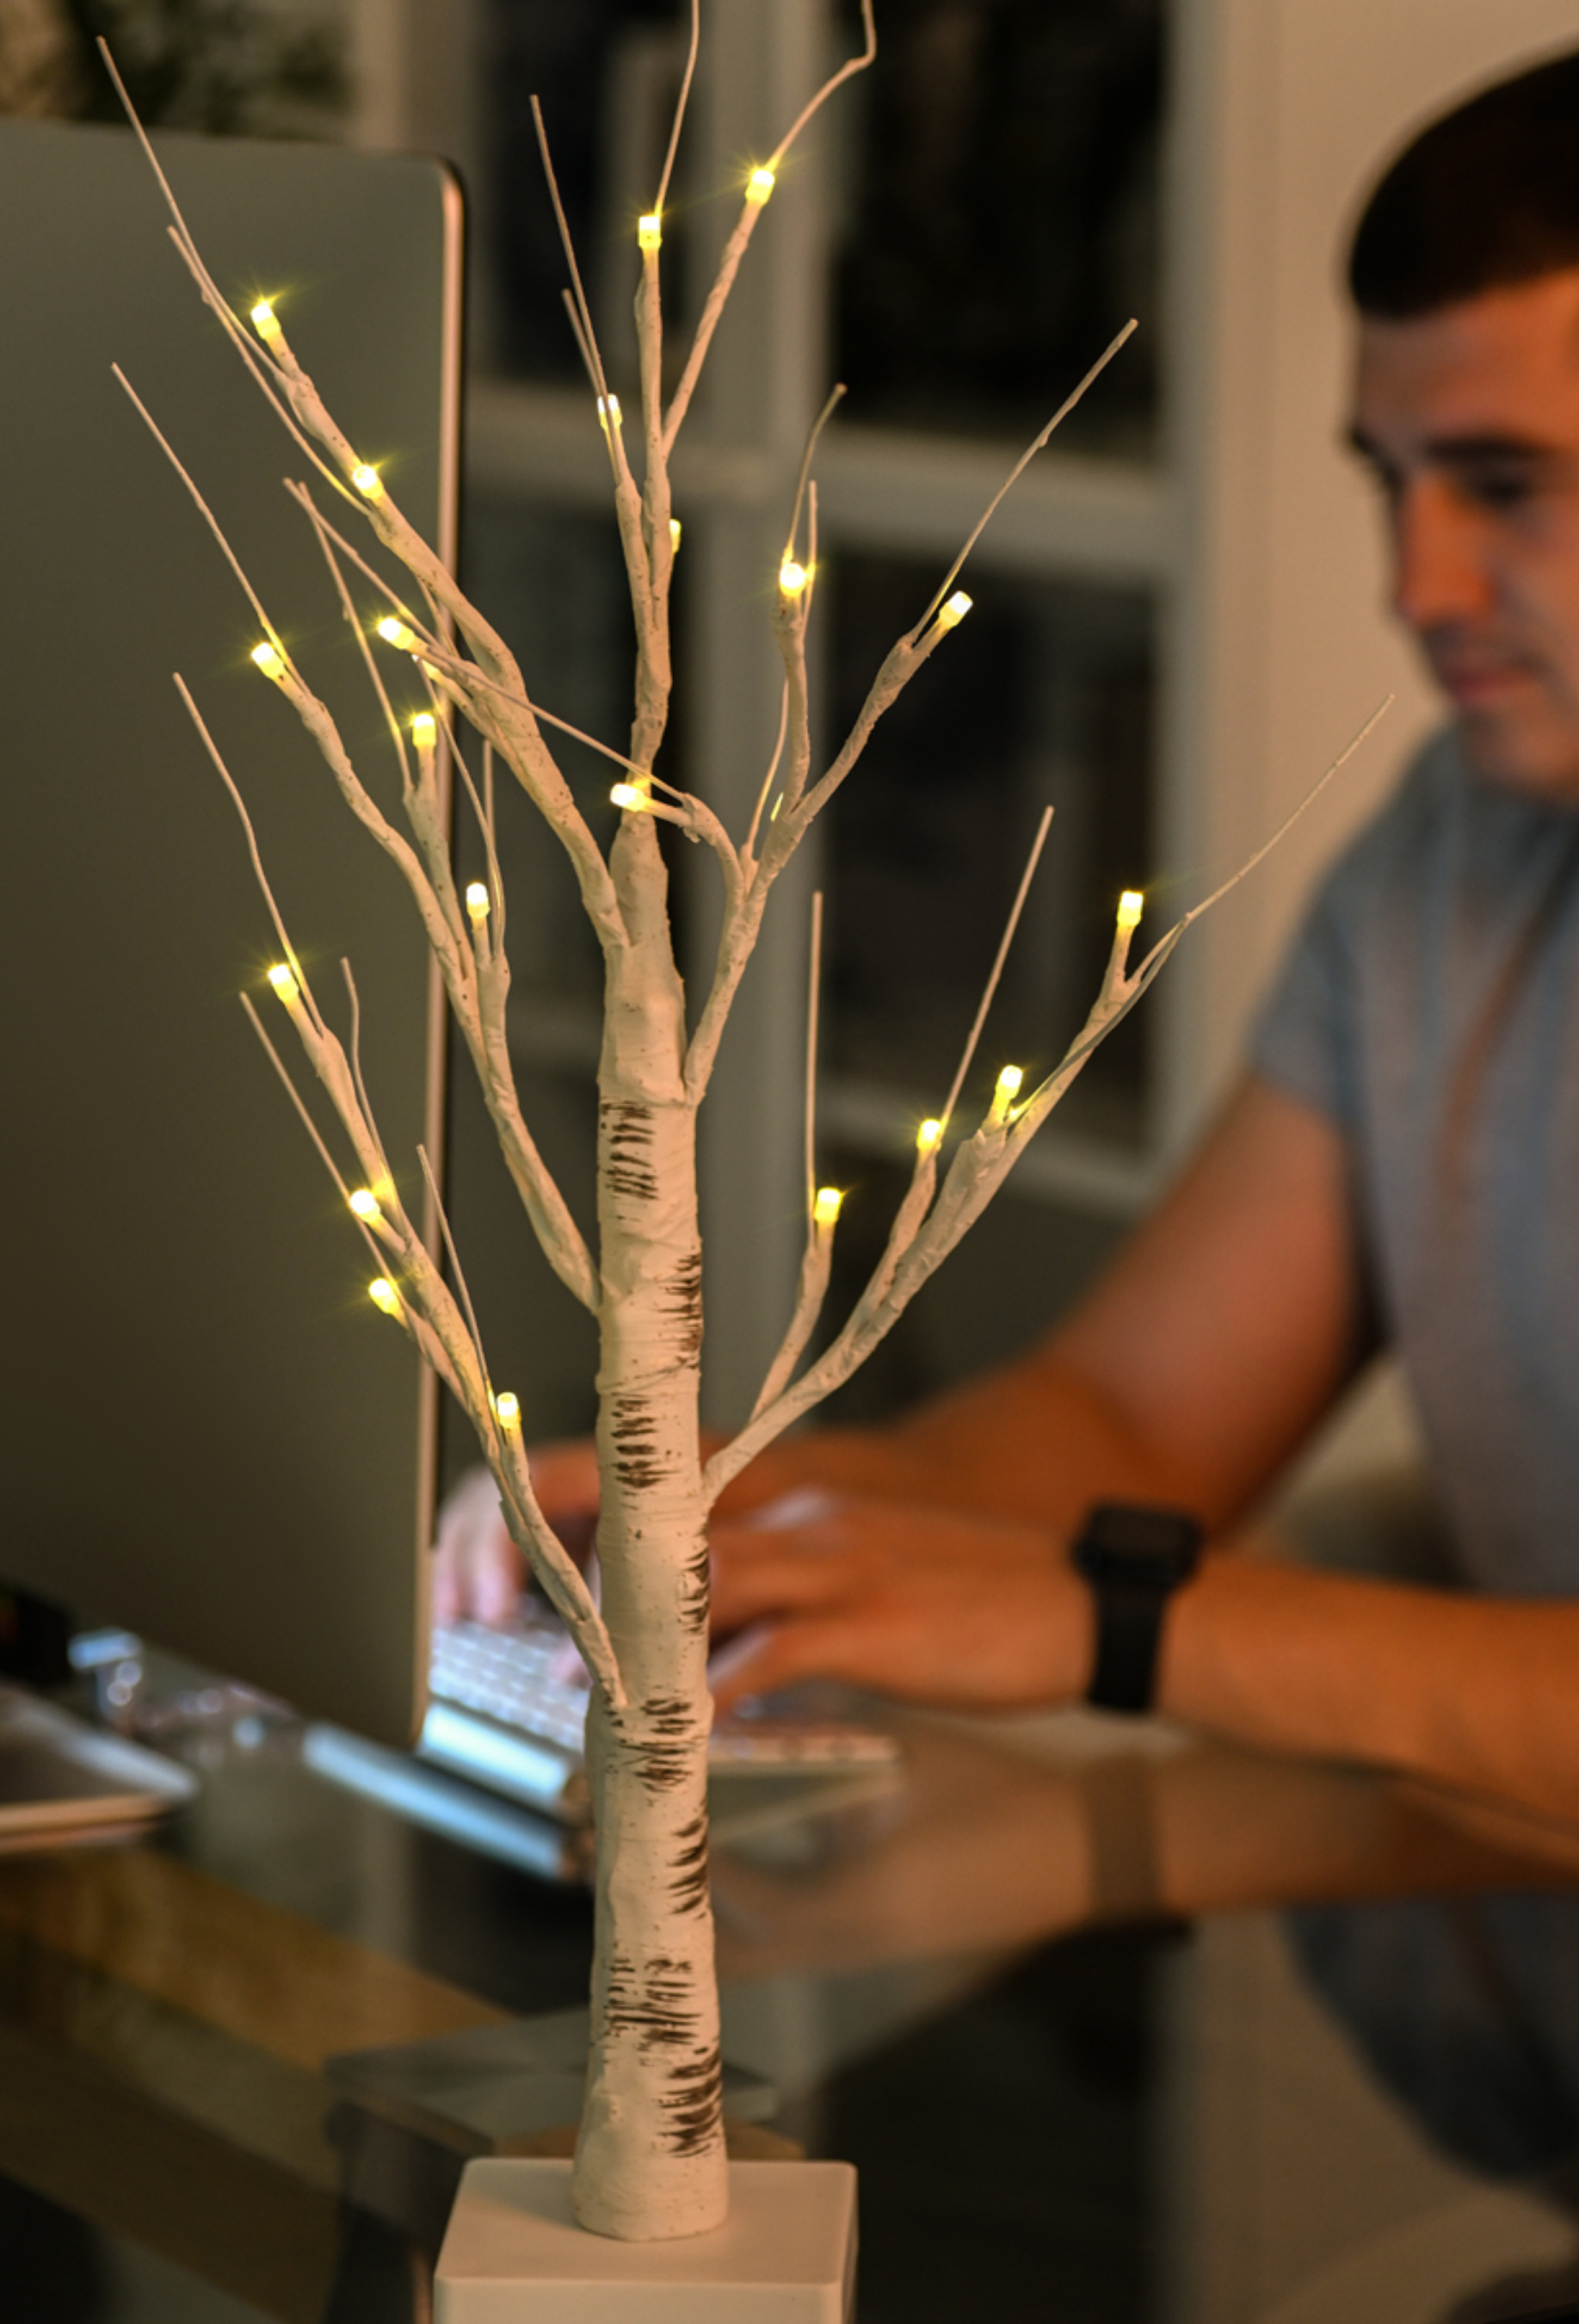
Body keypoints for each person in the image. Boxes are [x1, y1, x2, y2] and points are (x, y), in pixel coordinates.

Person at [440, 52, 1579, 1830]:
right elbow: (1134, 1420)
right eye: (1393, 482)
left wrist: (1116, 1626)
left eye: (1503, 486)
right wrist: (765, 1515)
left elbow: (1116, 1563)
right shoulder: (1456, 849)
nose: (1412, 588)